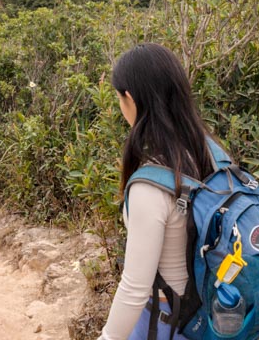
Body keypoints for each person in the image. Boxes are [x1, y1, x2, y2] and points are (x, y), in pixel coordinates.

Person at [98, 42, 217, 340]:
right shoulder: (209, 154)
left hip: (166, 322)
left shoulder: (150, 186)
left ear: (130, 98)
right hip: (208, 317)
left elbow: (135, 288)